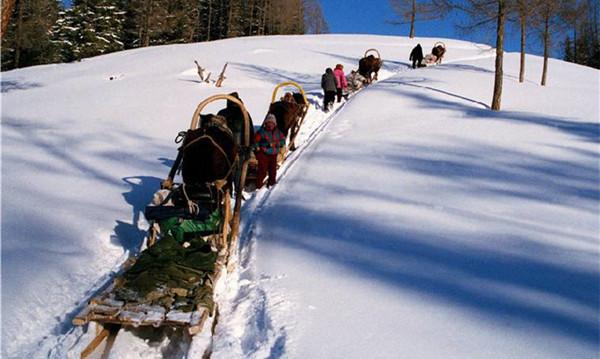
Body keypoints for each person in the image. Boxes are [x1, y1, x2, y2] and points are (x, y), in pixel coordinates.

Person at [252, 114, 286, 189]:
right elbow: (255, 141)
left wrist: (280, 144)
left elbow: (283, 139)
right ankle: (258, 187)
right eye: (268, 123)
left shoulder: (278, 133)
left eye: (272, 123)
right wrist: (257, 147)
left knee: (273, 171)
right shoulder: (261, 132)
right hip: (263, 153)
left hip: (274, 154)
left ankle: (271, 184)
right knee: (262, 171)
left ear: (275, 124)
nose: (270, 124)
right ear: (265, 123)